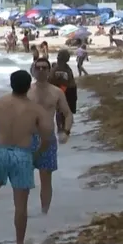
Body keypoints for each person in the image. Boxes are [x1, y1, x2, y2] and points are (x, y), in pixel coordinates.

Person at [0, 70, 53, 244]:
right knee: (20, 205)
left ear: (11, 84)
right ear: (29, 86)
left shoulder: (0, 103)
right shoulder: (36, 109)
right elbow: (47, 136)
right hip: (22, 155)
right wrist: (36, 154)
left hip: (1, 154)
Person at [29, 57, 73, 214]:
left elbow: (67, 114)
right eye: (38, 67)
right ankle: (22, 212)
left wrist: (66, 131)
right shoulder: (25, 91)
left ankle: (44, 213)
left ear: (49, 71)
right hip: (27, 138)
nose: (41, 70)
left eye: (44, 68)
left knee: (45, 179)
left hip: (47, 139)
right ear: (33, 70)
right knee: (23, 178)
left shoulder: (56, 92)